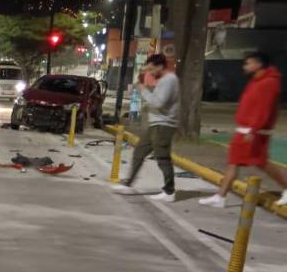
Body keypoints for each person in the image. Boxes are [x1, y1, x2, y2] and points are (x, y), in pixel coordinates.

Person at [199, 52, 287, 208]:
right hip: (244, 130)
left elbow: (263, 110)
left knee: (262, 163)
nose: (245, 66)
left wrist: (253, 130)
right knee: (234, 163)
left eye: (248, 63)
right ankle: (220, 196)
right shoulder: (256, 81)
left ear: (259, 64)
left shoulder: (269, 83)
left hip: (255, 132)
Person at [112, 53, 180, 201]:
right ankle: (128, 184)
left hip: (164, 124)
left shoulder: (169, 80)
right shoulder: (163, 80)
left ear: (160, 66)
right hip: (156, 123)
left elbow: (159, 103)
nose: (150, 73)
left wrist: (143, 89)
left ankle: (169, 192)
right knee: (139, 152)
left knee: (162, 157)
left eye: (152, 69)